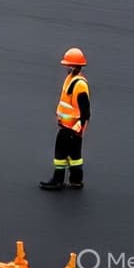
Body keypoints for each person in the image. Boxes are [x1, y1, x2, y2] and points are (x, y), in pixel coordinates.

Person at [40, 48, 91, 190]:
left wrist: (77, 129)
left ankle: (58, 181)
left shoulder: (79, 84)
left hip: (72, 128)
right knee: (74, 156)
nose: (67, 68)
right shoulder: (71, 80)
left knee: (61, 155)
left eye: (69, 65)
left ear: (76, 66)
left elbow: (85, 112)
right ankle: (76, 181)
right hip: (67, 126)